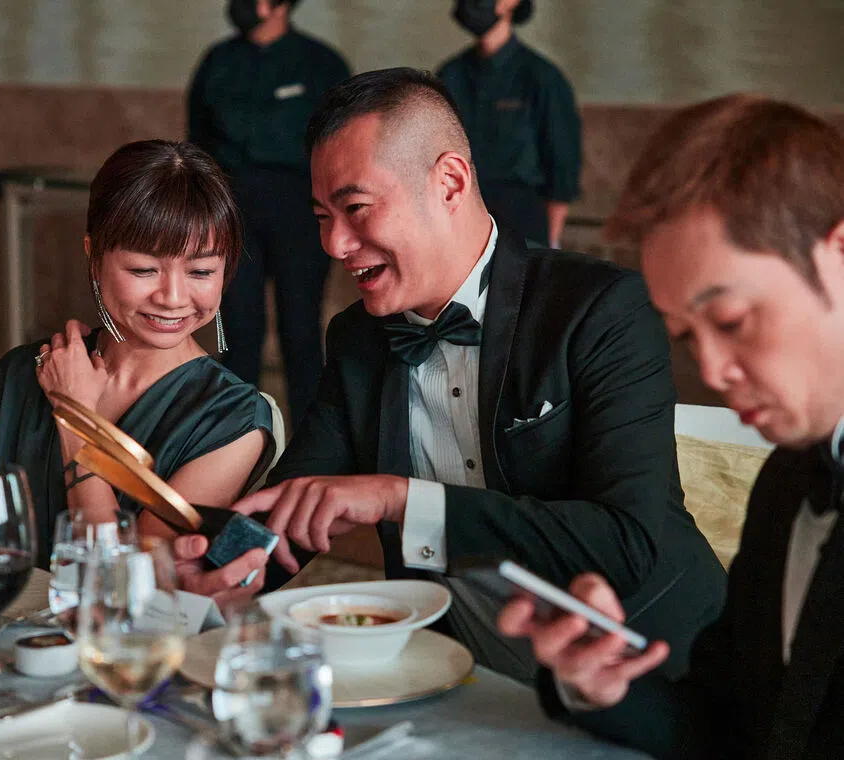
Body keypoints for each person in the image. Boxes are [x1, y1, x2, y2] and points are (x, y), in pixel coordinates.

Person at [232, 68, 726, 684]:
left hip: (645, 674)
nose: (334, 243)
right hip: (452, 671)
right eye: (321, 216)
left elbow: (626, 541)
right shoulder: (358, 338)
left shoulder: (600, 309)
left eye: (355, 208)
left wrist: (400, 499)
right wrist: (209, 570)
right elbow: (298, 504)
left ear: (450, 182)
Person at [498, 96, 844, 759]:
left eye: (732, 320)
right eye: (686, 335)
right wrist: (599, 682)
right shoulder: (787, 482)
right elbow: (727, 729)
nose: (710, 370)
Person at [0, 140, 278, 605]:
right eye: (144, 269)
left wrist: (75, 418)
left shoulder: (233, 420)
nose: (173, 297)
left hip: (117, 643)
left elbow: (120, 591)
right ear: (94, 256)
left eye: (201, 272)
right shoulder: (18, 375)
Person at [187, 0, 351, 427]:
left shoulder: (321, 64)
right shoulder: (218, 61)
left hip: (300, 211)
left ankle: (313, 439)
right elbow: (196, 142)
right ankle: (237, 435)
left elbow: (343, 145)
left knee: (301, 330)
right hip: (233, 213)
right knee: (238, 330)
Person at [437, 0, 581, 248]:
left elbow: (562, 172)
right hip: (458, 220)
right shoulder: (449, 75)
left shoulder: (543, 79)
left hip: (521, 226)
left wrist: (549, 248)